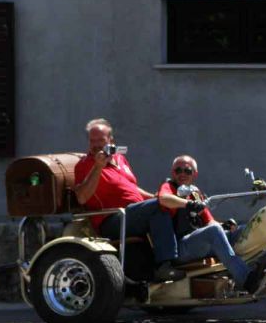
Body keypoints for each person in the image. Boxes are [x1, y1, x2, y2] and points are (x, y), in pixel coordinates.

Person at [73, 119, 184, 281]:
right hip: (112, 219)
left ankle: (182, 259)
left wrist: (152, 197)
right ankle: (165, 265)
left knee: (170, 205)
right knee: (157, 207)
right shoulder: (85, 165)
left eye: (101, 140)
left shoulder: (120, 159)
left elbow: (131, 187)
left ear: (111, 140)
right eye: (92, 141)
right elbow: (82, 197)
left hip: (134, 212)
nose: (96, 144)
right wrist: (98, 167)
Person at [156, 155, 266, 294]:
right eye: (178, 170)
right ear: (172, 172)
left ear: (195, 174)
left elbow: (210, 221)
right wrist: (188, 204)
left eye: (187, 171)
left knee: (246, 230)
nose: (182, 174)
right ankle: (246, 279)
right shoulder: (169, 186)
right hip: (179, 247)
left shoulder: (194, 192)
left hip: (200, 243)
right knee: (214, 230)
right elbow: (163, 199)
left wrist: (225, 226)